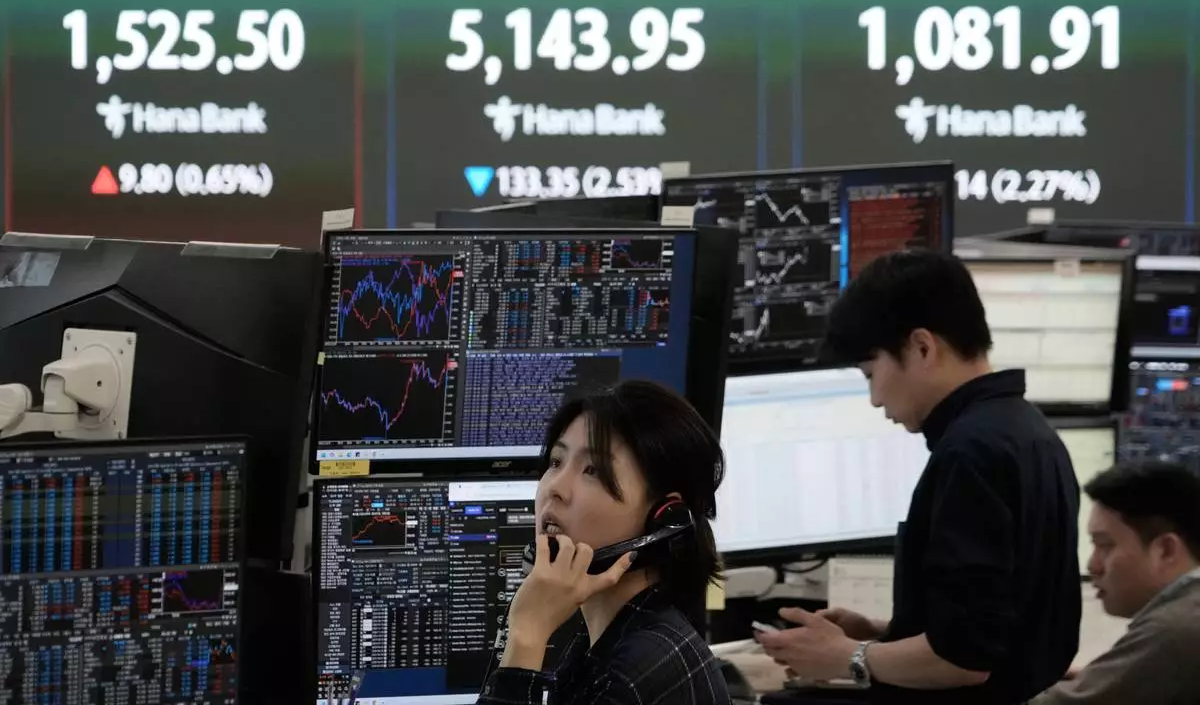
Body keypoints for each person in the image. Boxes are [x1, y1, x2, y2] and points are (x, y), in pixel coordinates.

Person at [757, 249, 1081, 704]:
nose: (874, 399)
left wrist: (849, 656)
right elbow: (994, 629)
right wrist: (879, 634)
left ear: (922, 347)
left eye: (870, 373)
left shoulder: (970, 453)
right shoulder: (1030, 433)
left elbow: (964, 660)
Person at [477, 380, 732, 705]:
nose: (555, 488)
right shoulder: (615, 639)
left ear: (664, 516)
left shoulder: (630, 675)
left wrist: (528, 633)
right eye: (556, 462)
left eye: (592, 470)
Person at [1031, 461, 1200, 704]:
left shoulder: (1176, 630)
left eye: (1105, 546)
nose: (1093, 566)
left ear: (1165, 550)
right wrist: (1104, 676)